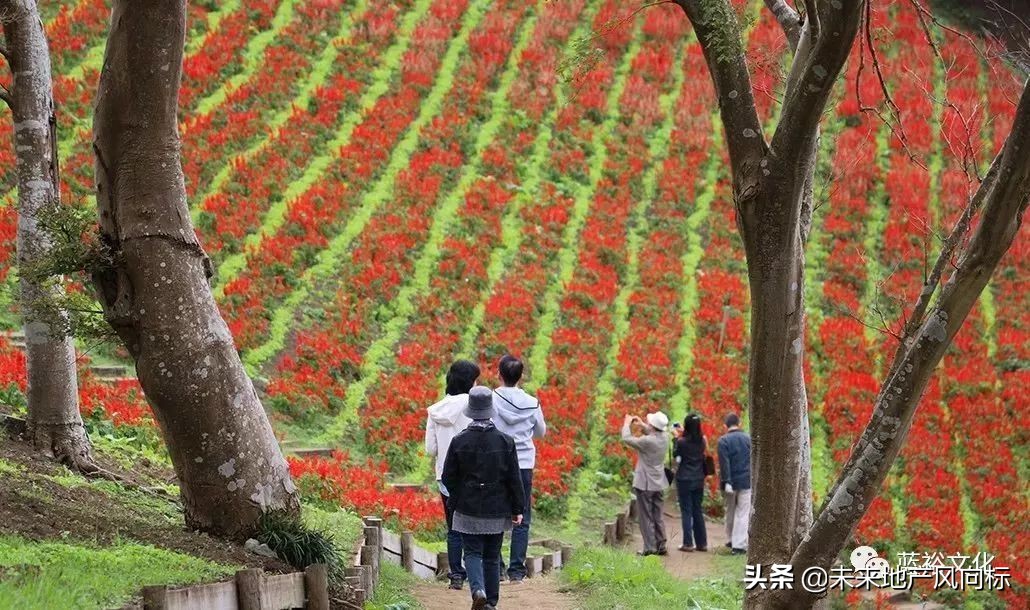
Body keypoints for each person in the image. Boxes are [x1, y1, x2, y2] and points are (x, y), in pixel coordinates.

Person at [442, 386, 526, 610]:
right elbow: (514, 479)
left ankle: (477, 590)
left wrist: (459, 497)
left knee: (471, 552)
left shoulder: (459, 441)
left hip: (467, 507)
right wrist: (518, 508)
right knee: (491, 555)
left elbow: (447, 477)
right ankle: (490, 602)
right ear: (490, 411)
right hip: (496, 508)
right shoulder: (505, 442)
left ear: (470, 411)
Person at [425, 359, 480, 589]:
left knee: (453, 526)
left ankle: (456, 575)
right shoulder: (474, 405)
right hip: (473, 475)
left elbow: (430, 449)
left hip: (445, 477)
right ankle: (480, 573)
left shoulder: (435, 409)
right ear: (470, 381)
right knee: (475, 525)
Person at [491, 354, 546, 583]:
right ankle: (516, 571)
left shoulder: (491, 398)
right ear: (521, 376)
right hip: (523, 463)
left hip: (497, 461)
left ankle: (497, 569)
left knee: (494, 515)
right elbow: (541, 431)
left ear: (499, 374)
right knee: (521, 516)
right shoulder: (532, 402)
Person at [621, 411, 670, 556]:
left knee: (645, 516)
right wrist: (642, 424)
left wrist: (626, 424)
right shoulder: (665, 437)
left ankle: (650, 547)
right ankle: (661, 544)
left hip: (645, 482)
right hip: (659, 482)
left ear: (652, 426)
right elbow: (654, 432)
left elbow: (627, 439)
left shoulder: (647, 441)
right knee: (657, 514)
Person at [673, 413, 708, 552]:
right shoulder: (702, 441)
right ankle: (702, 543)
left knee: (686, 510)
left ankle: (688, 543)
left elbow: (676, 454)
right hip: (699, 479)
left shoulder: (681, 442)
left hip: (684, 479)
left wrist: (676, 438)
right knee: (697, 510)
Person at [718, 412, 751, 555]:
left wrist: (727, 481)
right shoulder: (748, 439)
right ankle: (739, 544)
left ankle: (731, 539)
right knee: (743, 513)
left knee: (730, 511)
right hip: (746, 480)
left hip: (730, 481)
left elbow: (724, 464)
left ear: (725, 426)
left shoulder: (723, 441)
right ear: (739, 424)